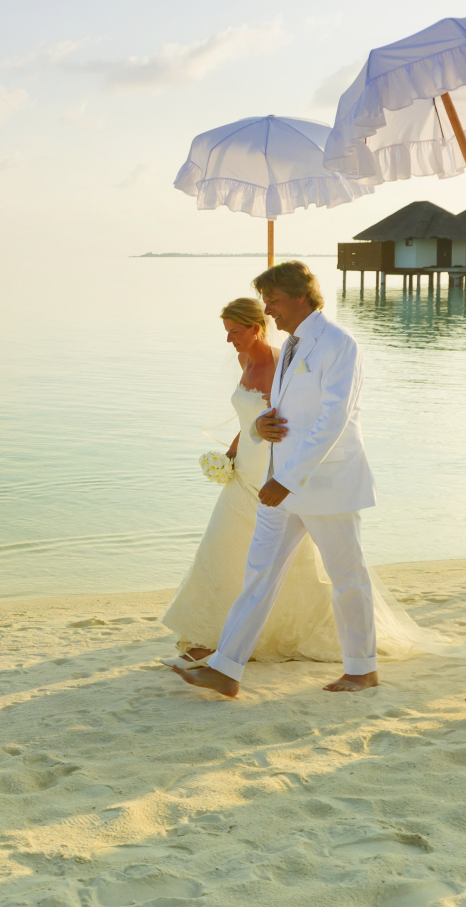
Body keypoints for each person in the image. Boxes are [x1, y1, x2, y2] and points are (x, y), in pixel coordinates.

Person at [161, 298, 448, 669]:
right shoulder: (253, 358)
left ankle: (353, 665)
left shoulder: (315, 350)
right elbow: (257, 418)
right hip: (254, 468)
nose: (229, 339)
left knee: (329, 570)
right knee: (238, 558)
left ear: (255, 327)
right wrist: (239, 444)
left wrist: (284, 474)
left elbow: (314, 419)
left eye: (235, 331)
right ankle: (222, 657)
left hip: (289, 472)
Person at [170, 261, 386, 697]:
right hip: (280, 482)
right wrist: (256, 429)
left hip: (325, 483)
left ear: (300, 297)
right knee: (259, 573)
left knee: (347, 575)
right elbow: (281, 414)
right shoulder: (290, 346)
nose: (268, 310)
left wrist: (287, 479)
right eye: (266, 301)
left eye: (273, 300)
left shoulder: (339, 344)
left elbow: (334, 419)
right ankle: (227, 668)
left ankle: (362, 668)